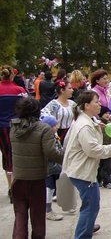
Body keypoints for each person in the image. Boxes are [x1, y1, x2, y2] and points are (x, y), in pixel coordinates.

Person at [62, 91, 111, 238]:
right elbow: (93, 150)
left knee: (90, 206)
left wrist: (97, 125)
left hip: (80, 170)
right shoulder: (84, 125)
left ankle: (86, 229)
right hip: (82, 172)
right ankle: (82, 235)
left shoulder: (87, 120)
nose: (100, 104)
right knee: (90, 207)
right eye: (96, 101)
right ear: (87, 105)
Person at [10, 98, 63, 238]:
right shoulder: (43, 128)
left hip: (18, 178)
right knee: (38, 215)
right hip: (36, 179)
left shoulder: (13, 127)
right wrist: (67, 157)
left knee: (20, 215)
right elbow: (51, 152)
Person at [0, 65, 27, 203]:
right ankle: (16, 188)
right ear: (12, 75)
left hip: (1, 127)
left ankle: (10, 186)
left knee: (6, 156)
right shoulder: (19, 90)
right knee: (16, 156)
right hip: (16, 126)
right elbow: (27, 107)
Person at [40, 115, 65, 221]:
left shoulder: (54, 136)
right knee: (49, 189)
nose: (57, 127)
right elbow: (51, 152)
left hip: (55, 167)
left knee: (54, 187)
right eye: (54, 125)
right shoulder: (47, 138)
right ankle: (48, 210)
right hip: (49, 169)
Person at [96, 106, 111, 189]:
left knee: (108, 166)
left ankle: (107, 182)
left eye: (108, 113)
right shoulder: (98, 124)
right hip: (101, 148)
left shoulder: (110, 124)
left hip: (109, 148)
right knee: (100, 166)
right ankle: (99, 180)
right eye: (106, 113)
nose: (108, 115)